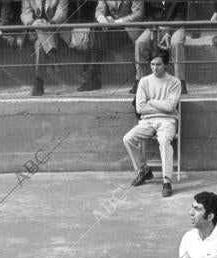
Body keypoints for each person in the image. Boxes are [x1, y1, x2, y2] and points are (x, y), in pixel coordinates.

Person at [123, 49, 181, 197]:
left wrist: (152, 102)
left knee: (164, 142)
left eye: (159, 64)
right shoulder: (144, 81)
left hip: (167, 121)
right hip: (147, 121)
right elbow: (140, 107)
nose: (155, 68)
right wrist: (161, 106)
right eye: (152, 64)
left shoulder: (175, 82)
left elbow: (171, 107)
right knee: (128, 139)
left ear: (166, 65)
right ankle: (144, 170)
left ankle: (167, 181)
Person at [78, 0, 150, 92]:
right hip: (112, 29)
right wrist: (102, 19)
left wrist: (116, 22)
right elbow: (99, 10)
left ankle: (92, 78)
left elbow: (138, 14)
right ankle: (92, 77)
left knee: (96, 37)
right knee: (96, 30)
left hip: (129, 29)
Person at [134, 1, 189, 95]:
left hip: (175, 27)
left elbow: (180, 17)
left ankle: (180, 82)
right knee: (140, 42)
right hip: (155, 27)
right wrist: (155, 30)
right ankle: (139, 80)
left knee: (176, 43)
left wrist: (168, 32)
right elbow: (148, 16)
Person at [21, 0, 69, 96]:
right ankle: (51, 53)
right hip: (34, 31)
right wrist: (33, 22)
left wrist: (49, 23)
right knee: (40, 30)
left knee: (39, 44)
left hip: (53, 30)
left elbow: (62, 13)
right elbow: (26, 13)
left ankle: (38, 81)